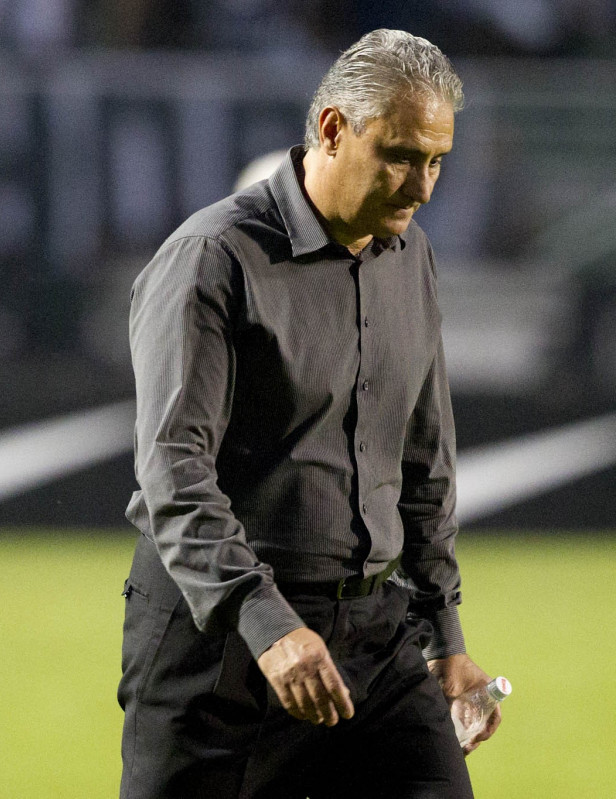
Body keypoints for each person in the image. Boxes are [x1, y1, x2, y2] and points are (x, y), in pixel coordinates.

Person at [119, 29, 501, 798]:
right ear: (332, 129)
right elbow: (175, 473)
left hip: (375, 637)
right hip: (220, 648)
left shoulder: (411, 255)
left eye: (436, 161)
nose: (422, 186)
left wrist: (445, 636)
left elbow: (424, 461)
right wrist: (268, 625)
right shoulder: (213, 258)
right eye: (399, 154)